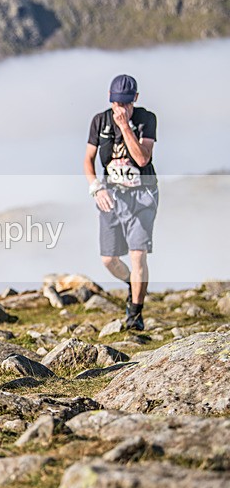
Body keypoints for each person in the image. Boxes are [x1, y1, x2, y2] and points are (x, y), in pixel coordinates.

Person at [84, 74, 158, 331]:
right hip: (111, 196)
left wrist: (126, 127)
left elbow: (143, 159)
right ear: (110, 98)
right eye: (116, 103)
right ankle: (131, 284)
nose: (121, 108)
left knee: (138, 256)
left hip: (142, 196)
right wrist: (95, 187)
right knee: (108, 259)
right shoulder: (99, 121)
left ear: (135, 99)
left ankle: (135, 316)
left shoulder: (146, 119)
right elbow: (88, 159)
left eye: (126, 103)